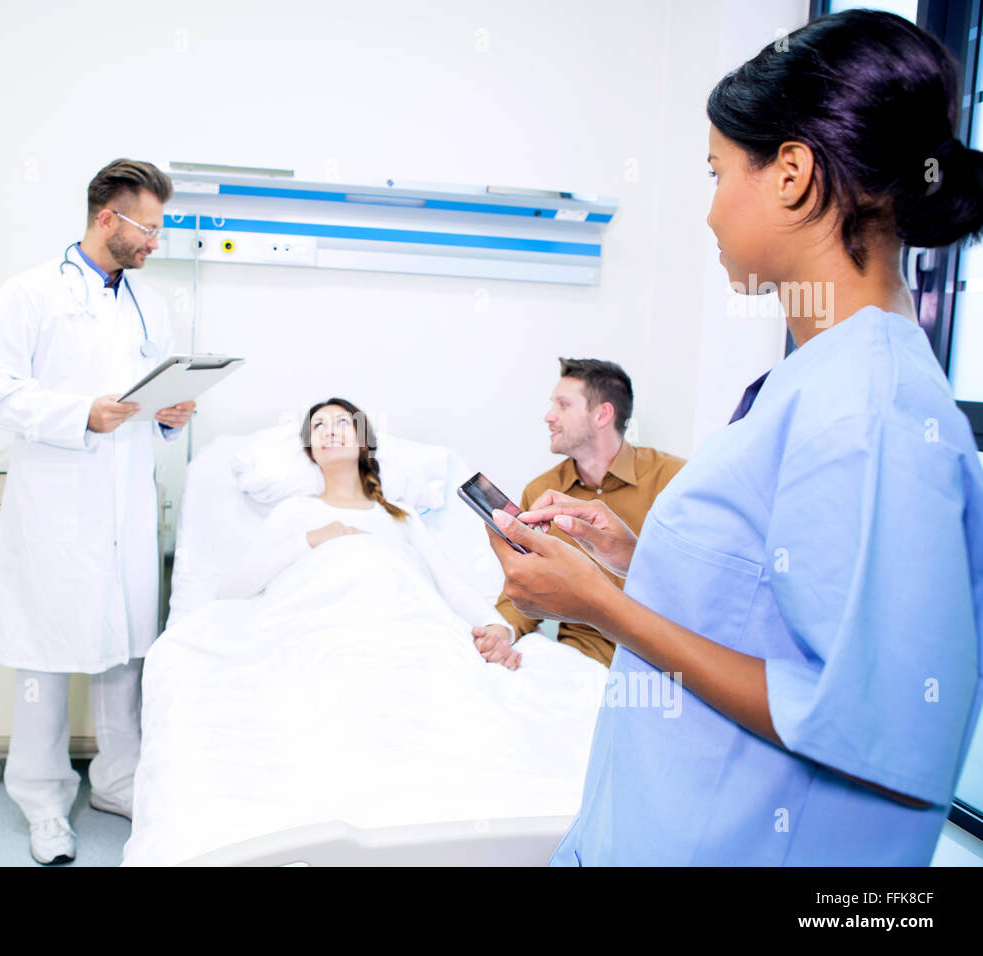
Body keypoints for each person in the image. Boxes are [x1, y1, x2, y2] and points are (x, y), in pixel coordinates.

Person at [486, 10, 983, 865]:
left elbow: (875, 727)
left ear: (792, 174)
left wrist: (600, 606)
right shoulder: (819, 375)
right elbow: (783, 612)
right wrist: (636, 562)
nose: (712, 212)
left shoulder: (870, 411)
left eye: (718, 172)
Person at [0, 159, 196, 865]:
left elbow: (147, 399)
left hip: (126, 501)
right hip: (56, 505)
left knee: (124, 651)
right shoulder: (30, 292)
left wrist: (170, 416)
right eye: (149, 228)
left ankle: (117, 781)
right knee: (43, 655)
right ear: (108, 219)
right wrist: (79, 415)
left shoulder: (148, 306)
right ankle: (41, 801)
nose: (156, 241)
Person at [219, 398, 521, 671]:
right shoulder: (294, 512)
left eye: (342, 422)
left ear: (363, 442)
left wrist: (496, 627)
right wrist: (313, 539)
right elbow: (232, 589)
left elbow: (449, 586)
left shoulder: (400, 516)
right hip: (319, 633)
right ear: (311, 450)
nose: (329, 430)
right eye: (318, 426)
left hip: (400, 633)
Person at [493, 359, 683, 667]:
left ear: (602, 415)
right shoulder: (542, 491)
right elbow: (523, 584)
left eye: (563, 405)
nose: (549, 416)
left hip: (661, 655)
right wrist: (500, 630)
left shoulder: (674, 480)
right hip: (581, 662)